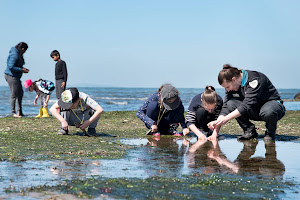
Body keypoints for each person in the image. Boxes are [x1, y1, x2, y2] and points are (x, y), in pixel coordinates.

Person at [208, 64, 285, 141]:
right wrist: (216, 130)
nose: (227, 90)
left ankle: (270, 133)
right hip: (254, 110)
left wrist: (226, 119)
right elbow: (225, 107)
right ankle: (249, 131)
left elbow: (247, 105)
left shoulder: (255, 79)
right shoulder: (232, 86)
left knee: (268, 111)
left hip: (272, 106)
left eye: (227, 87)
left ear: (234, 79)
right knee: (230, 104)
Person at [4, 42, 30, 117]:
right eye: (25, 50)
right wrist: (21, 70)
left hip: (16, 76)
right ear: (22, 49)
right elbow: (10, 66)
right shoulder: (15, 55)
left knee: (20, 93)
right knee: (14, 94)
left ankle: (19, 111)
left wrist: (22, 69)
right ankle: (13, 112)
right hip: (11, 76)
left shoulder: (18, 54)